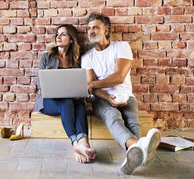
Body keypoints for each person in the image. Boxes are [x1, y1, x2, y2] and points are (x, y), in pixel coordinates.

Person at [81, 14, 161, 174]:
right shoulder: (87, 57)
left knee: (132, 123)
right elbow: (92, 90)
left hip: (126, 95)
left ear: (106, 30)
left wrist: (90, 84)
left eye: (95, 27)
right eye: (89, 28)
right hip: (100, 98)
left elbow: (119, 77)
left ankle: (132, 158)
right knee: (113, 118)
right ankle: (137, 148)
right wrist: (107, 97)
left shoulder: (121, 46)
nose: (91, 31)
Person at [34, 24, 96, 163]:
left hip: (72, 100)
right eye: (58, 34)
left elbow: (82, 84)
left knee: (78, 104)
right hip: (48, 101)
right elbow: (41, 85)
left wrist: (78, 92)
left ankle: (84, 143)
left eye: (63, 34)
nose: (59, 37)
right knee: (67, 101)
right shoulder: (47, 57)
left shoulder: (77, 59)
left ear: (72, 39)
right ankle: (75, 144)